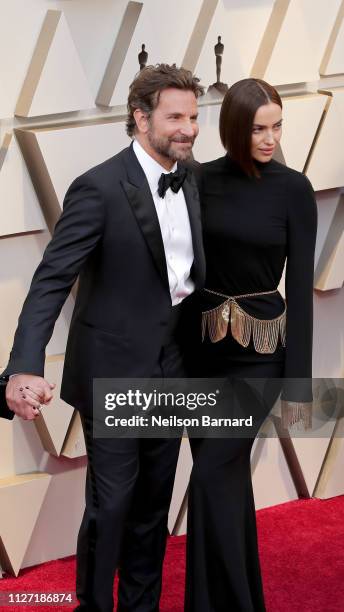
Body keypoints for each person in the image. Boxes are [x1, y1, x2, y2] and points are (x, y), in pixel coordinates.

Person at [0, 63, 205, 612]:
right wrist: (22, 366)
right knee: (111, 506)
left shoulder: (195, 178)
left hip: (172, 368)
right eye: (175, 117)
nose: (187, 128)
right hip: (114, 372)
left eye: (193, 116)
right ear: (140, 119)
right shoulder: (98, 187)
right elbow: (50, 282)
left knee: (152, 509)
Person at [184, 78, 317, 611]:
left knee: (213, 471)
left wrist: (299, 384)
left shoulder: (293, 189)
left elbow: (302, 289)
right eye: (259, 128)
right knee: (226, 479)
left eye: (277, 126)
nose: (270, 138)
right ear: (234, 129)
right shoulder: (199, 180)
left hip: (261, 355)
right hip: (202, 349)